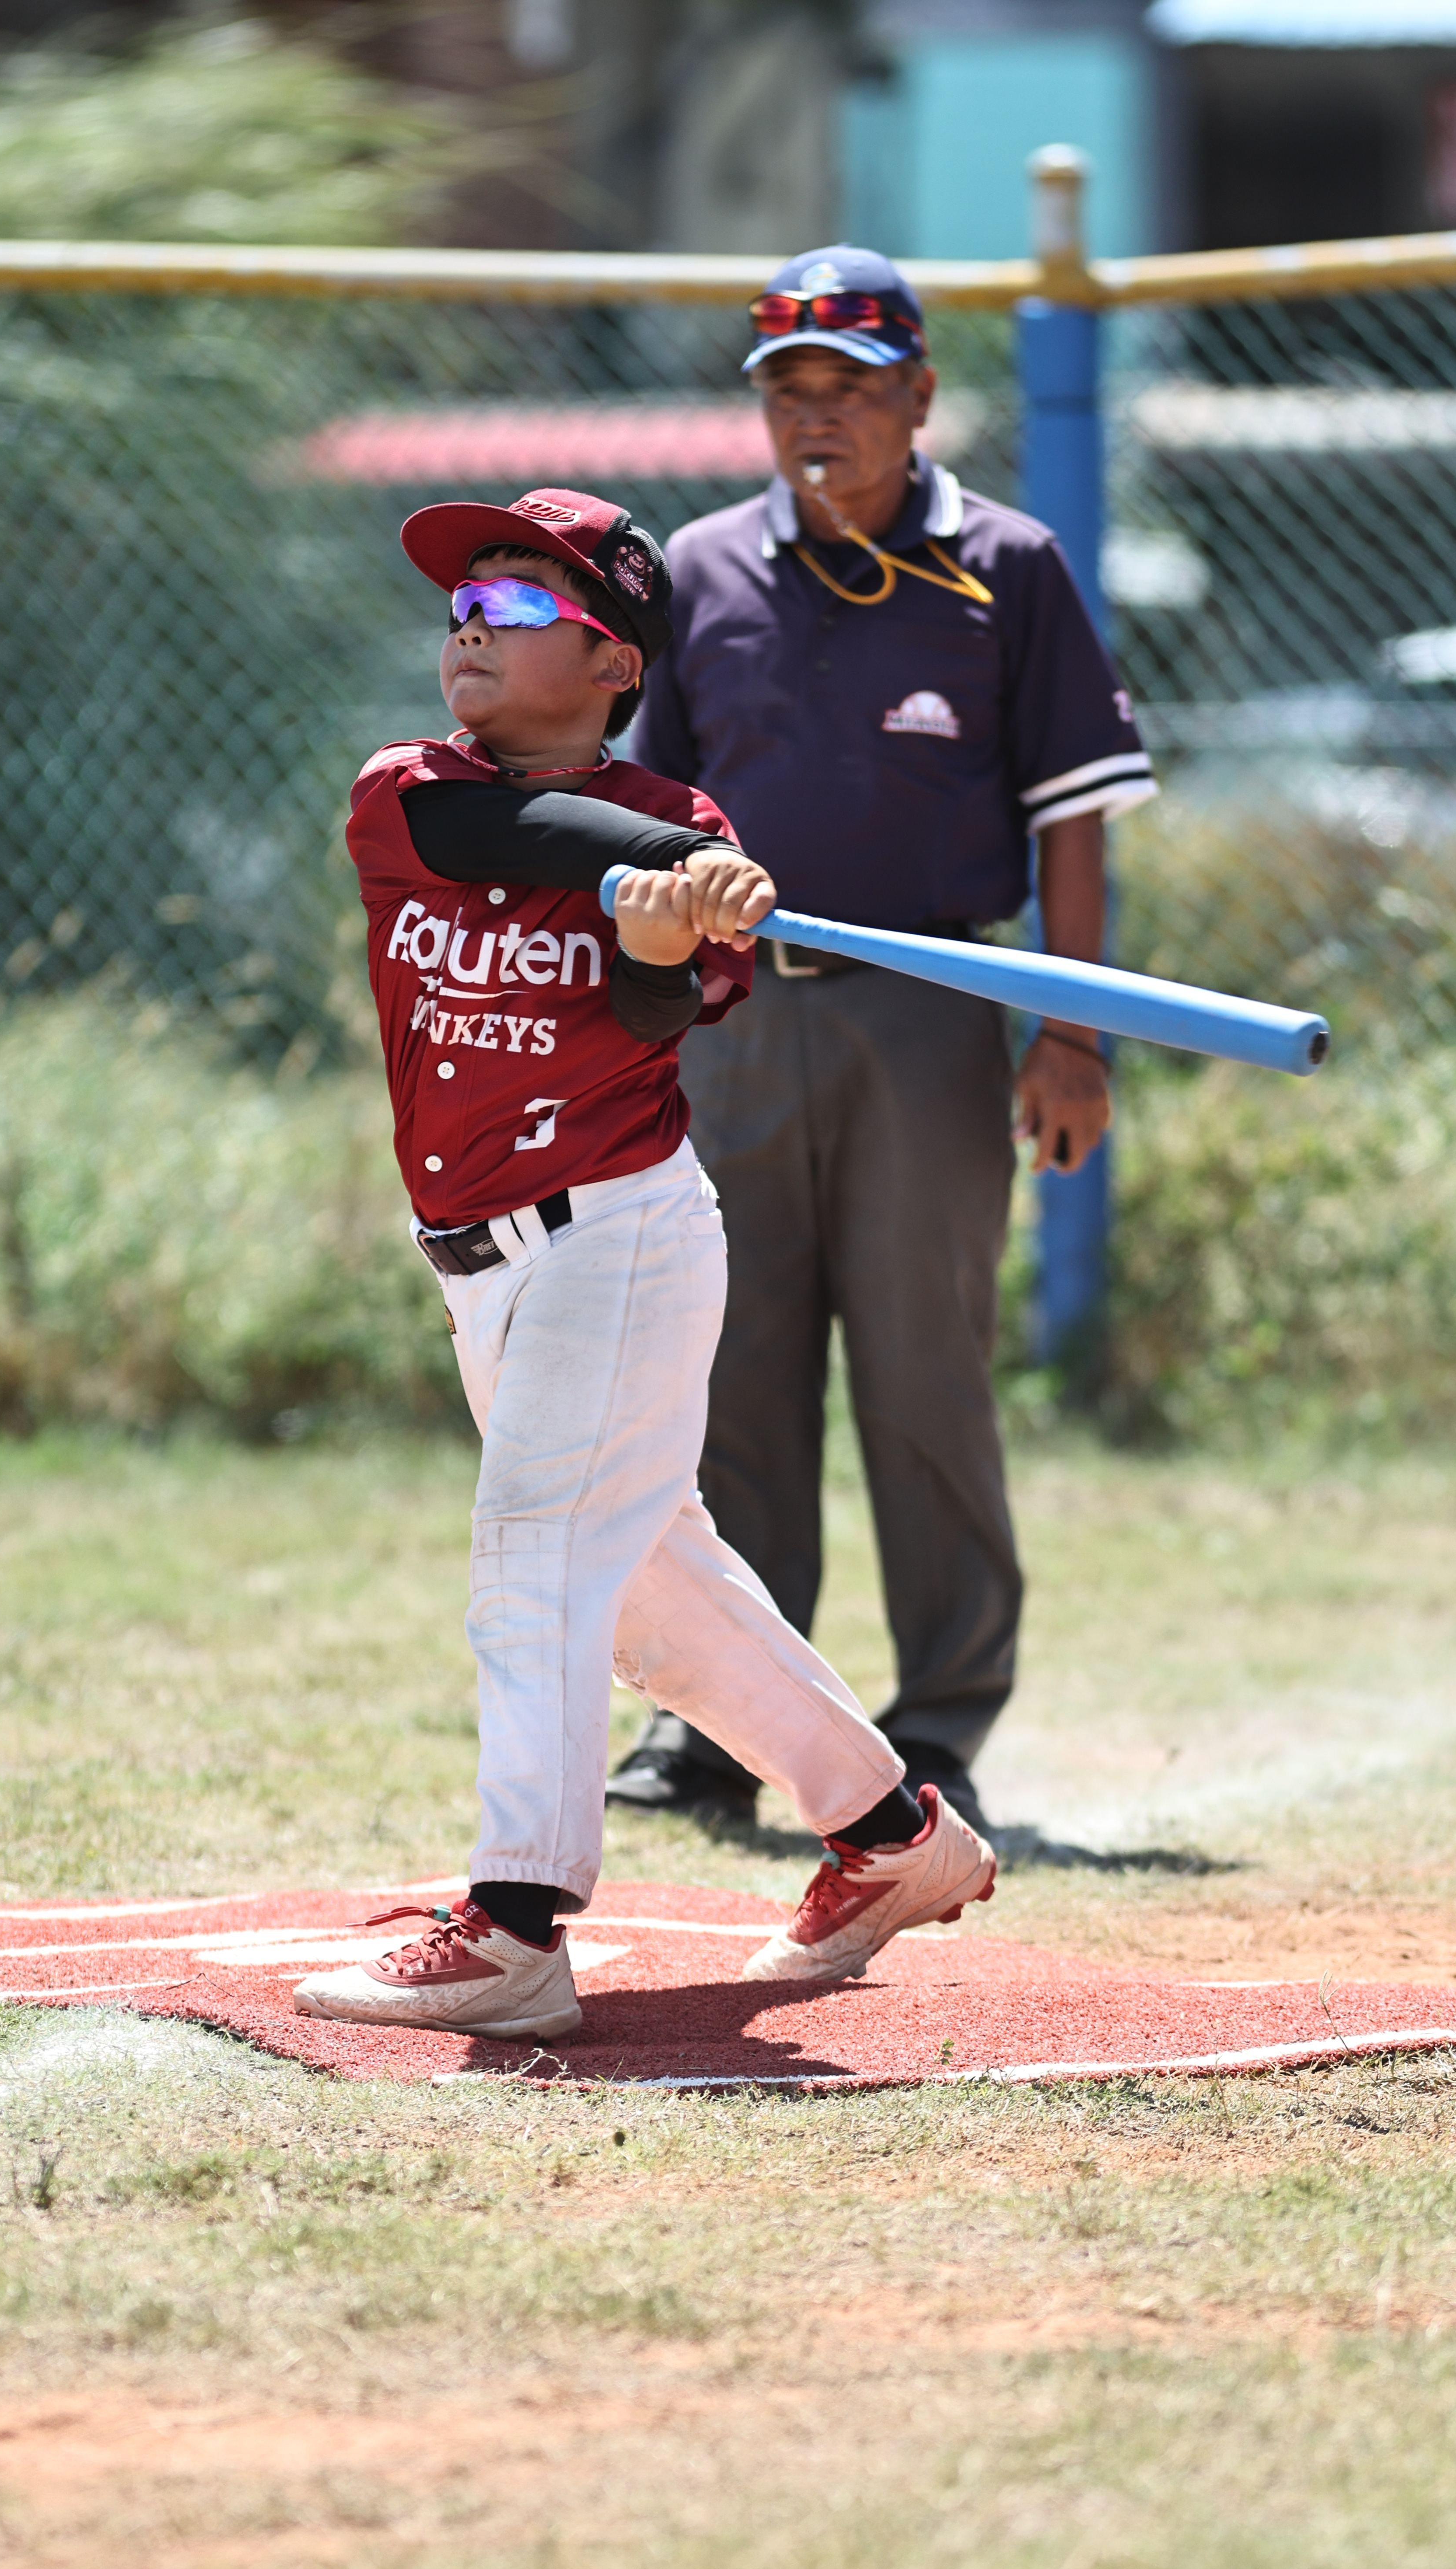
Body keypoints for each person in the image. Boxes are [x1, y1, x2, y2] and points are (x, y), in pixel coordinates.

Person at [292, 486, 997, 2042]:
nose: (472, 627)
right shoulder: (413, 789)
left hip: (616, 1237)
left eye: (519, 605)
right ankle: (893, 1836)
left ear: (615, 660)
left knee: (536, 1556)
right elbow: (514, 837)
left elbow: (656, 1015)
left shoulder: (693, 835)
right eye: (464, 603)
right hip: (481, 1267)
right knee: (650, 1603)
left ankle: (516, 1925)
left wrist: (669, 934)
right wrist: (649, 872)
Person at [607, 247, 1156, 1841]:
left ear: (919, 395)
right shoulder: (705, 568)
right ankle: (718, 1729)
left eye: (849, 388)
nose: (817, 418)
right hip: (734, 1020)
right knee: (728, 1378)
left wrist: (1069, 1032)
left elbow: (1071, 823)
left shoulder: (1008, 568)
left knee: (925, 1374)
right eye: (788, 390)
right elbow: (654, 818)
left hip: (929, 1014)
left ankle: (940, 1725)